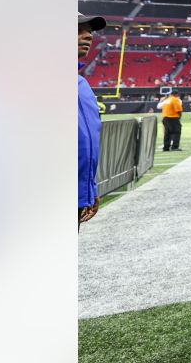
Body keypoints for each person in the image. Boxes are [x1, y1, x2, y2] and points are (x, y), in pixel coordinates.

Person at [78, 13, 106, 227]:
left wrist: (87, 190)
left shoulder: (82, 85)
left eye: (89, 31)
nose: (88, 36)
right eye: (77, 30)